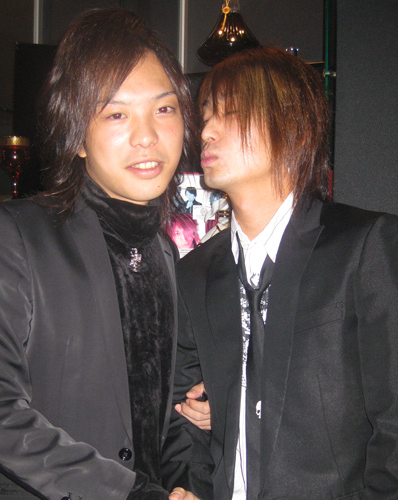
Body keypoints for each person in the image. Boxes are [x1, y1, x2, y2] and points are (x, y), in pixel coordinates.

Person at [0, 8, 207, 500]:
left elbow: (167, 413)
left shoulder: (163, 252)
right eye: (116, 114)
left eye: (164, 109)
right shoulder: (13, 235)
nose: (147, 136)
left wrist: (184, 485)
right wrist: (127, 492)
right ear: (78, 137)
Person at [162, 47, 398, 499]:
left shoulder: (364, 247)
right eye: (206, 116)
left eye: (230, 113)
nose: (206, 131)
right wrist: (187, 487)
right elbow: (179, 411)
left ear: (289, 124)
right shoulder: (195, 272)